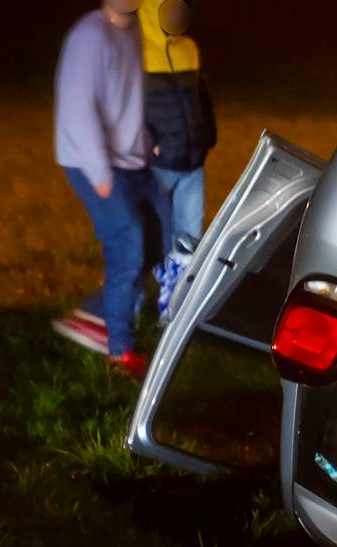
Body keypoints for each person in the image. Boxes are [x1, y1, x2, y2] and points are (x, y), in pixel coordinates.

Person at [52, 0, 171, 377]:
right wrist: (99, 173)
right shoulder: (89, 38)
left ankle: (96, 313)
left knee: (163, 238)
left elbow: (130, 95)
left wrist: (147, 139)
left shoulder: (136, 30)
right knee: (129, 245)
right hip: (93, 161)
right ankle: (120, 352)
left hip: (132, 159)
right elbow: (77, 109)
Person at [140, 0, 216, 325]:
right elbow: (123, 107)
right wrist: (146, 144)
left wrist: (207, 135)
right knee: (149, 239)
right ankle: (126, 311)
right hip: (157, 166)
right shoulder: (134, 53)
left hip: (191, 164)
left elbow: (202, 96)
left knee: (188, 244)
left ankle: (175, 312)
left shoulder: (189, 48)